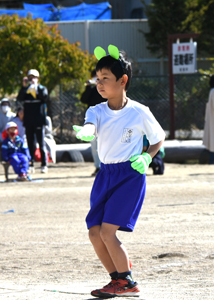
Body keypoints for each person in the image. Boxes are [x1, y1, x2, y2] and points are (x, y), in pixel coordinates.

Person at [73, 45, 165, 298]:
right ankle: (117, 280)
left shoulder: (139, 112)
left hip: (129, 176)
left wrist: (147, 157)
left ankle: (128, 282)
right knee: (94, 233)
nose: (99, 84)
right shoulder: (96, 110)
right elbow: (91, 125)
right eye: (97, 79)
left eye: (106, 79)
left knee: (107, 232)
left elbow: (158, 138)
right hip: (105, 174)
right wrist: (86, 131)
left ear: (123, 80)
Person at [17, 69, 49, 173]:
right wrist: (24, 86)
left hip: (39, 120)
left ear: (38, 78)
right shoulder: (26, 90)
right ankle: (31, 164)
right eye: (30, 78)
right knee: (30, 143)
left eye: (34, 77)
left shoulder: (42, 88)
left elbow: (44, 97)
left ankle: (44, 164)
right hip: (29, 121)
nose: (32, 80)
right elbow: (20, 98)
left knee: (41, 142)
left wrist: (36, 87)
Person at [80, 70, 107, 176]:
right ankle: (98, 167)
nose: (96, 79)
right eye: (95, 77)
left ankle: (106, 166)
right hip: (93, 121)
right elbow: (84, 99)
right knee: (94, 145)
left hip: (105, 119)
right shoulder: (91, 89)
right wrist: (88, 87)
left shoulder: (105, 89)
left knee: (106, 144)